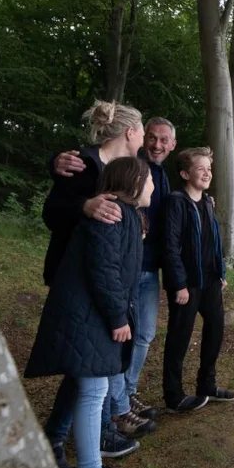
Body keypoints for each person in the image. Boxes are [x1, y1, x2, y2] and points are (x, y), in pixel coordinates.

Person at [25, 155, 154, 468]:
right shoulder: (111, 215)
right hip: (85, 318)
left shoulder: (126, 216)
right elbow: (104, 270)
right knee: (93, 392)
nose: (154, 187)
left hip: (90, 318)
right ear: (132, 183)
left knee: (93, 391)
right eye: (149, 181)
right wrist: (117, 317)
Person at [52, 118, 177, 419]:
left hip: (145, 268)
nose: (156, 144)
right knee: (112, 340)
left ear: (173, 145)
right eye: (151, 137)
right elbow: (84, 169)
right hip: (113, 271)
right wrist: (54, 163)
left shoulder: (161, 176)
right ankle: (114, 411)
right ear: (137, 136)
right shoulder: (125, 166)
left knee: (141, 336)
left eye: (164, 140)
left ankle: (124, 396)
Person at [162, 147, 234, 413]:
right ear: (185, 173)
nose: (207, 173)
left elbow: (213, 240)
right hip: (187, 283)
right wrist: (179, 283)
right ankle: (174, 396)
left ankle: (207, 384)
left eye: (209, 168)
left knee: (216, 328)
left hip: (210, 281)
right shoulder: (176, 202)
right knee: (179, 337)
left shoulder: (207, 202)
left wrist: (221, 273)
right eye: (200, 168)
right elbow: (169, 246)